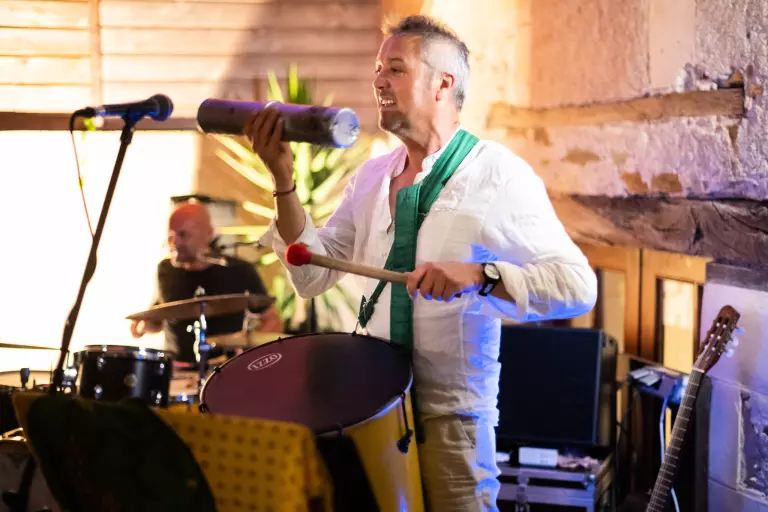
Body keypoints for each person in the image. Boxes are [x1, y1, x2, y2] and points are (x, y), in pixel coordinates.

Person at [248, 15, 597, 512]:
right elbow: (310, 274)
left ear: (443, 84)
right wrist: (283, 179)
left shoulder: (498, 175)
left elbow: (578, 286)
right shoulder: (370, 177)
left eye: (395, 68)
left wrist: (480, 275)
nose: (378, 81)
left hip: (451, 423)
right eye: (377, 69)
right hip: (370, 414)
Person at [130, 200, 283, 365]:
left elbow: (272, 321)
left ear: (208, 233)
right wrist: (145, 325)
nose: (175, 243)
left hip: (223, 368)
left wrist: (247, 351)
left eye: (183, 235)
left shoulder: (239, 270)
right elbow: (161, 318)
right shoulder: (165, 269)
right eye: (171, 237)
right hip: (175, 369)